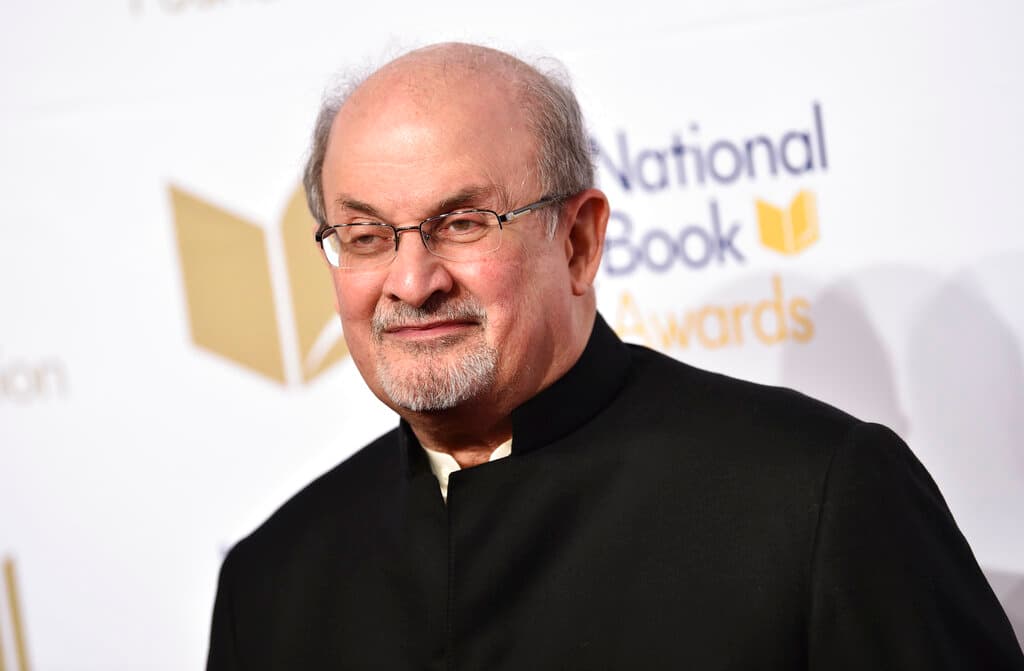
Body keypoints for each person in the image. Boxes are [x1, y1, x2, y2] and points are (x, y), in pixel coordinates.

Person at [206, 43, 1024, 670]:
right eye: (366, 235)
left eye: (461, 222)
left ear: (579, 239)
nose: (412, 281)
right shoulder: (273, 581)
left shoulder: (818, 497)